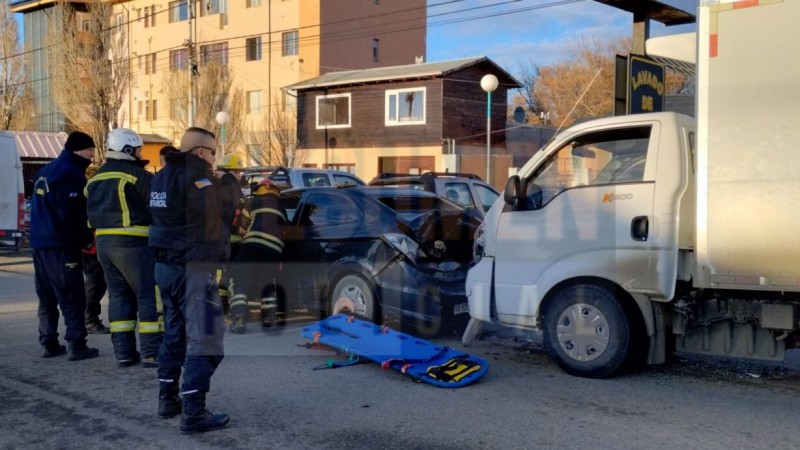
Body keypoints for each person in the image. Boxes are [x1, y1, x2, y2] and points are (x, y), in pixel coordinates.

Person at [148, 127, 232, 434]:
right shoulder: (198, 178)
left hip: (166, 267)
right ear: (200, 152)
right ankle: (194, 412)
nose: (214, 158)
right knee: (206, 339)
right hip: (192, 268)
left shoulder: (162, 175)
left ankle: (168, 400)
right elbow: (223, 212)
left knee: (174, 334)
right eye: (212, 152)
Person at [86, 128, 162, 368]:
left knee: (119, 297)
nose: (141, 153)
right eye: (138, 149)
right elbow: (159, 207)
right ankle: (152, 353)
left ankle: (124, 354)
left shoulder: (95, 178)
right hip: (135, 244)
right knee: (149, 296)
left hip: (104, 246)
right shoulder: (138, 175)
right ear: (128, 150)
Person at [30, 130, 100, 361]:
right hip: (61, 245)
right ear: (79, 150)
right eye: (90, 150)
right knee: (71, 294)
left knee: (47, 296)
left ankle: (49, 341)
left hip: (40, 243)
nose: (92, 156)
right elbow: (71, 214)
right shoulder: (71, 174)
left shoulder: (46, 170)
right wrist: (85, 237)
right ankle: (76, 343)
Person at [227, 179, 287, 333]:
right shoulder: (282, 207)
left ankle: (239, 318)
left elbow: (242, 226)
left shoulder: (254, 202)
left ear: (259, 190)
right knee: (267, 282)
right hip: (274, 251)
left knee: (238, 277)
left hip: (253, 246)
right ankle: (268, 318)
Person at [83, 235, 110, 335]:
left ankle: (89, 320)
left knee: (96, 285)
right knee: (95, 285)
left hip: (93, 246)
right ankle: (90, 321)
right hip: (92, 248)